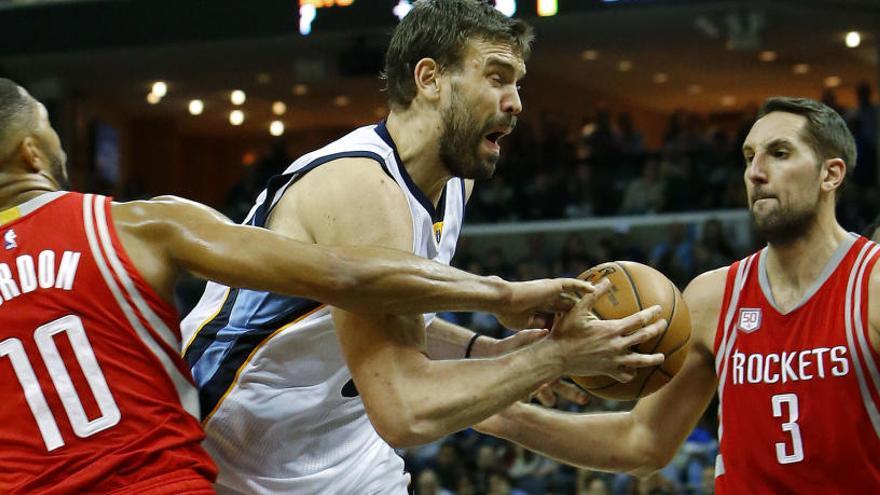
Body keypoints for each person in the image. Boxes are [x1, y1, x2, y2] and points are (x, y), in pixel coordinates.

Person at [0, 79, 594, 493]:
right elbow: (348, 275)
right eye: (51, 128)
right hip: (165, 479)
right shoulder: (136, 224)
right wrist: (503, 296)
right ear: (32, 153)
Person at [181, 1, 665, 493]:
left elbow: (395, 324)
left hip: (340, 447)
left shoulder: (454, 183)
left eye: (518, 83)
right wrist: (555, 357)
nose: (516, 102)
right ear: (430, 79)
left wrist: (485, 350)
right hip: (227, 447)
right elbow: (404, 411)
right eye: (497, 77)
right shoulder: (359, 185)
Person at [476, 97, 880, 492]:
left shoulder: (871, 282)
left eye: (779, 153)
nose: (755, 173)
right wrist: (498, 415)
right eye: (748, 156)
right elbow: (642, 441)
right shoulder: (714, 296)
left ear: (831, 174)